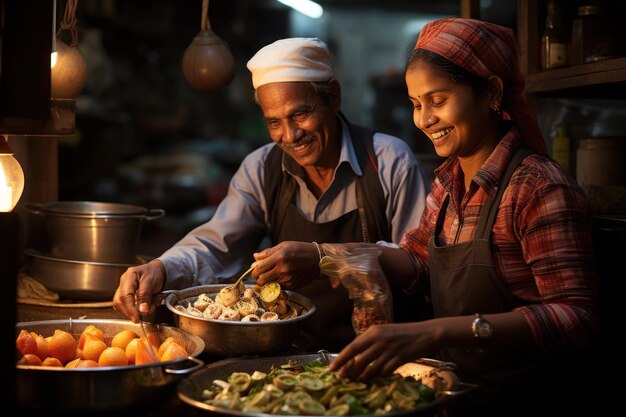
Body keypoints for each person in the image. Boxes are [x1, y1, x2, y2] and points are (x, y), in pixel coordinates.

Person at [319, 18, 599, 415]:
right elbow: (417, 261)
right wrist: (325, 256)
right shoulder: (447, 181)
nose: (424, 119)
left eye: (438, 99)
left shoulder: (538, 188)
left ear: (492, 93)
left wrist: (436, 332)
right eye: (416, 104)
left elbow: (578, 317)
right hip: (455, 393)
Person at [112, 37, 430, 349]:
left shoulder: (388, 161)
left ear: (333, 97)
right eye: (274, 122)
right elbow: (216, 245)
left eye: (300, 115)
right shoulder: (262, 168)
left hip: (381, 350)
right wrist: (163, 268)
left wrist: (324, 258)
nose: (290, 135)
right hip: (292, 350)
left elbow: (417, 264)